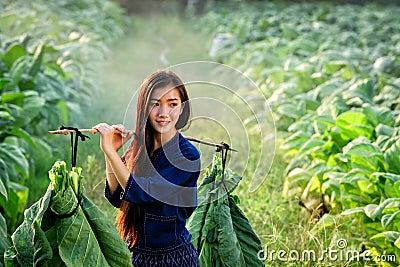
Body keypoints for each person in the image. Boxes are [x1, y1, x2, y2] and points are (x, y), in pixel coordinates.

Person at [93, 70, 201, 266]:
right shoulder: (140, 147)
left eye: (172, 104)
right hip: (135, 255)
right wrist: (112, 154)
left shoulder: (187, 156)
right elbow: (118, 196)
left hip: (172, 258)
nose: (164, 113)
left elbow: (145, 194)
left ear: (182, 108)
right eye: (155, 104)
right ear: (144, 107)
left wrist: (110, 151)